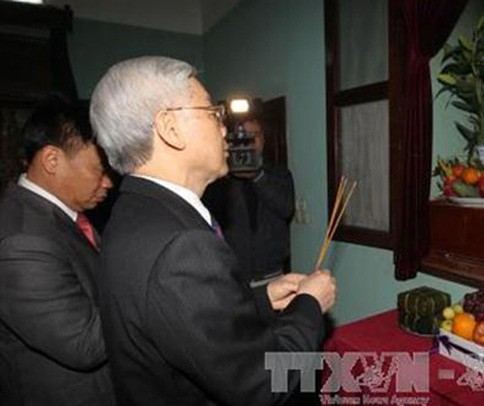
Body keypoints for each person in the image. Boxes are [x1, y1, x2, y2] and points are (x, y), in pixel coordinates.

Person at [89, 56, 336, 405]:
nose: (225, 128)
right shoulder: (182, 245)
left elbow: (184, 320)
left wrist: (262, 300)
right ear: (170, 127)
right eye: (211, 112)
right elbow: (262, 383)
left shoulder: (133, 211)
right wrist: (310, 304)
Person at [0, 96, 115, 406]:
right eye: (100, 169)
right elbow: (84, 343)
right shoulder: (22, 240)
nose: (108, 183)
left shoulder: (65, 215)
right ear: (52, 160)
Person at [202, 116, 295, 285]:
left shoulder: (278, 174)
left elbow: (286, 208)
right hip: (232, 277)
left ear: (263, 140)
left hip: (271, 275)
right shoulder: (220, 178)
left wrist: (257, 176)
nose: (249, 143)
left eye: (254, 136)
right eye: (243, 138)